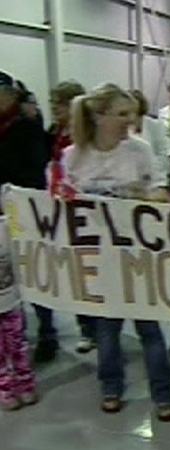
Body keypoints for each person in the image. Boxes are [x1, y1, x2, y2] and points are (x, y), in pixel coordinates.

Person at [61, 83, 170, 420]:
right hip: (99, 259)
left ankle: (163, 394)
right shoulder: (73, 156)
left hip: (138, 256)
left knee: (150, 330)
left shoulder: (139, 150)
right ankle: (111, 387)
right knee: (106, 329)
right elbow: (58, 201)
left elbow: (161, 192)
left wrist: (145, 197)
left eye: (132, 113)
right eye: (122, 114)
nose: (132, 120)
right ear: (99, 116)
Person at [0, 71, 53, 363]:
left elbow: (36, 169)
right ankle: (14, 334)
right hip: (1, 214)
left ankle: (47, 334)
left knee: (35, 272)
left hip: (25, 210)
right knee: (6, 277)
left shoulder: (26, 126)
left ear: (9, 95)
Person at [47, 80, 98, 354]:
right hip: (63, 208)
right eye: (52, 103)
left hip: (85, 211)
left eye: (59, 103)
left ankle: (95, 327)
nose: (54, 108)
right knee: (77, 272)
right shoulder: (55, 131)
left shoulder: (84, 138)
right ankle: (86, 326)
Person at [0, 218, 39, 411]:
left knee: (17, 345)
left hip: (11, 301)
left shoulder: (6, 225)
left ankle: (25, 384)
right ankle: (5, 389)